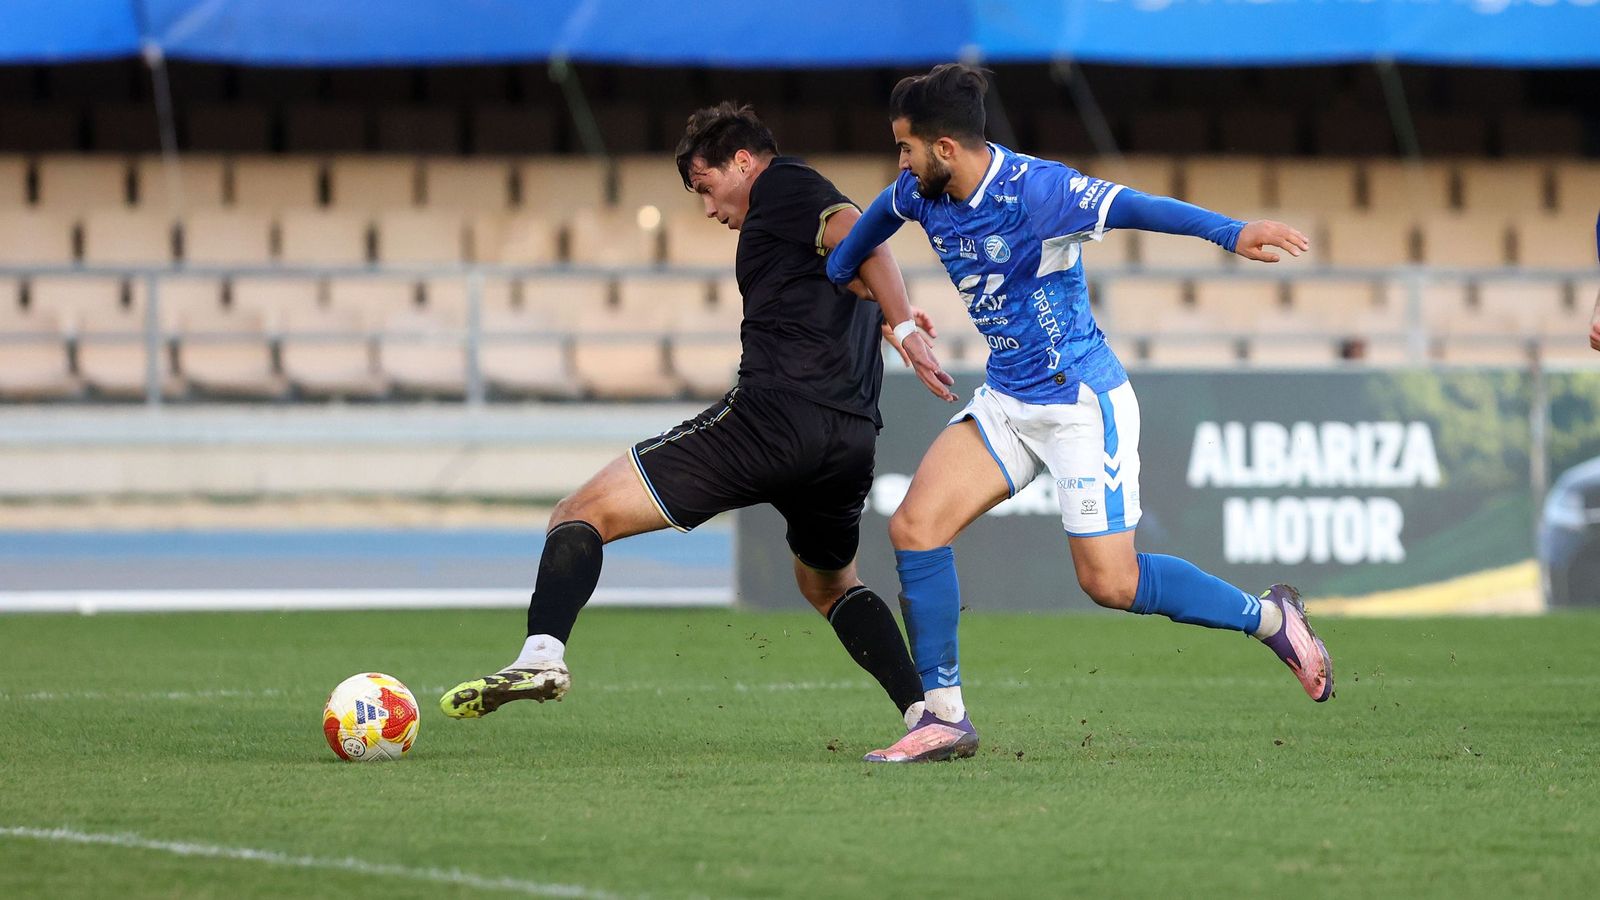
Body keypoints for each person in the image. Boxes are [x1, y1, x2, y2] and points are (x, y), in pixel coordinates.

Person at [825, 64, 1333, 764]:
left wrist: (1231, 232)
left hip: (1079, 404)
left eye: (905, 148)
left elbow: (1138, 206)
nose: (900, 163)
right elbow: (864, 238)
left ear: (944, 148)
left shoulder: (1039, 191)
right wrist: (880, 300)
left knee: (1110, 583)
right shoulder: (919, 190)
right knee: (915, 527)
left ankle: (1272, 619)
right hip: (1008, 398)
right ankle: (943, 718)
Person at [440, 103, 957, 737]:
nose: (709, 209)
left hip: (771, 422)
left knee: (580, 512)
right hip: (849, 441)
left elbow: (860, 232)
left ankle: (540, 656)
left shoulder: (783, 185)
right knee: (828, 585)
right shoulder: (798, 220)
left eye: (706, 187)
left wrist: (902, 321)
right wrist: (888, 316)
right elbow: (843, 270)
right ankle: (925, 715)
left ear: (743, 162)